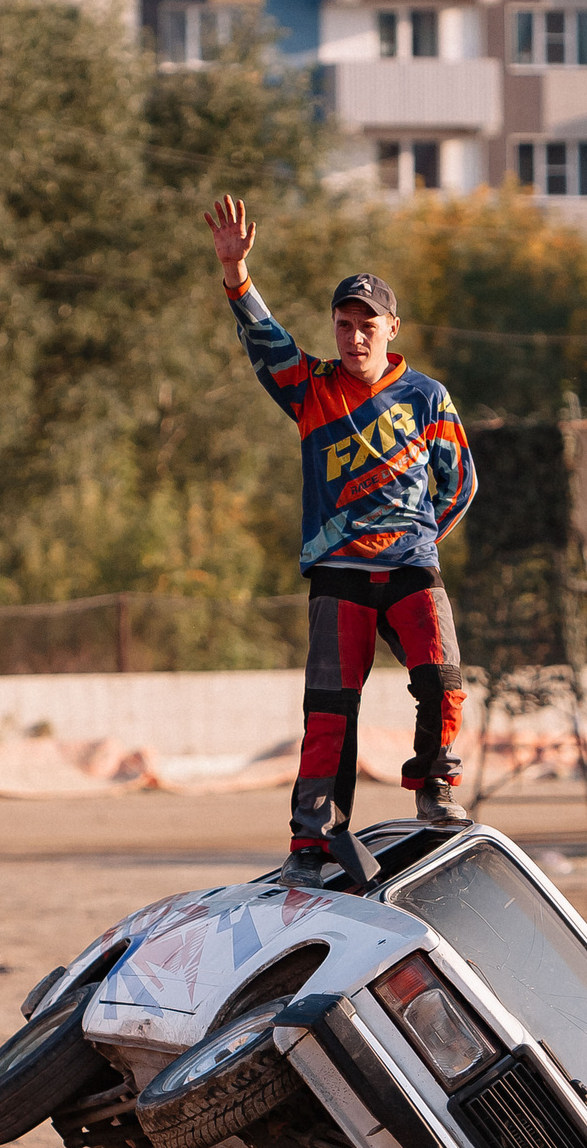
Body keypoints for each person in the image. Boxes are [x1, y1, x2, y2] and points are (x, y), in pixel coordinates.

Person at [202, 194, 478, 887]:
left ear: (392, 329)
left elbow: (461, 482)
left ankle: (435, 788)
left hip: (411, 565)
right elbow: (266, 342)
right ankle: (313, 837)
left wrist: (417, 536)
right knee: (330, 707)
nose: (354, 338)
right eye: (344, 324)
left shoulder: (427, 397)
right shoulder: (313, 388)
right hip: (337, 571)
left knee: (442, 677)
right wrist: (238, 275)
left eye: (367, 326)